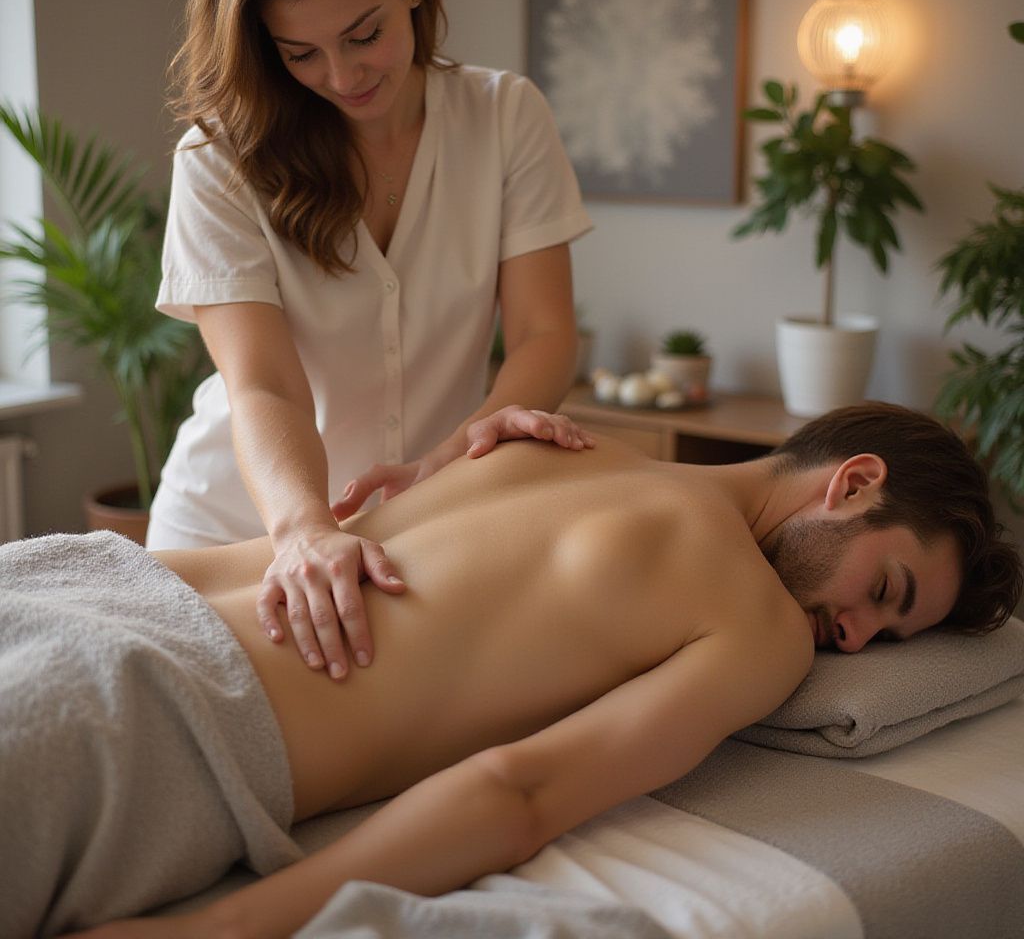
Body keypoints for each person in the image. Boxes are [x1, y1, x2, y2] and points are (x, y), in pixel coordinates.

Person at [3, 402, 1018, 938]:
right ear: (852, 482)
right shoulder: (760, 629)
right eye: (882, 594)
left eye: (881, 639)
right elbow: (519, 793)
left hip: (79, 583)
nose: (850, 637)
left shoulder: (544, 433)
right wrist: (227, 931)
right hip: (154, 712)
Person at [146, 0, 594, 680]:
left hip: (422, 525)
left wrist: (455, 454)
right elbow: (263, 382)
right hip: (234, 526)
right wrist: (303, 531)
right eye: (301, 53)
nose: (342, 75)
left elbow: (544, 335)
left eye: (364, 34)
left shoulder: (504, 117)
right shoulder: (221, 156)